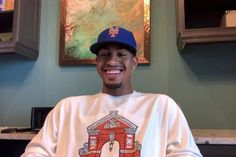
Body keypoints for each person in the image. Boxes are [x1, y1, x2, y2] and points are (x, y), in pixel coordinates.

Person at [21, 26, 203, 157]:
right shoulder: (67, 107)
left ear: (134, 63)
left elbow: (186, 153)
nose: (112, 61)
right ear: (97, 63)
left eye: (121, 54)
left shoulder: (161, 105)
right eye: (105, 54)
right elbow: (36, 152)